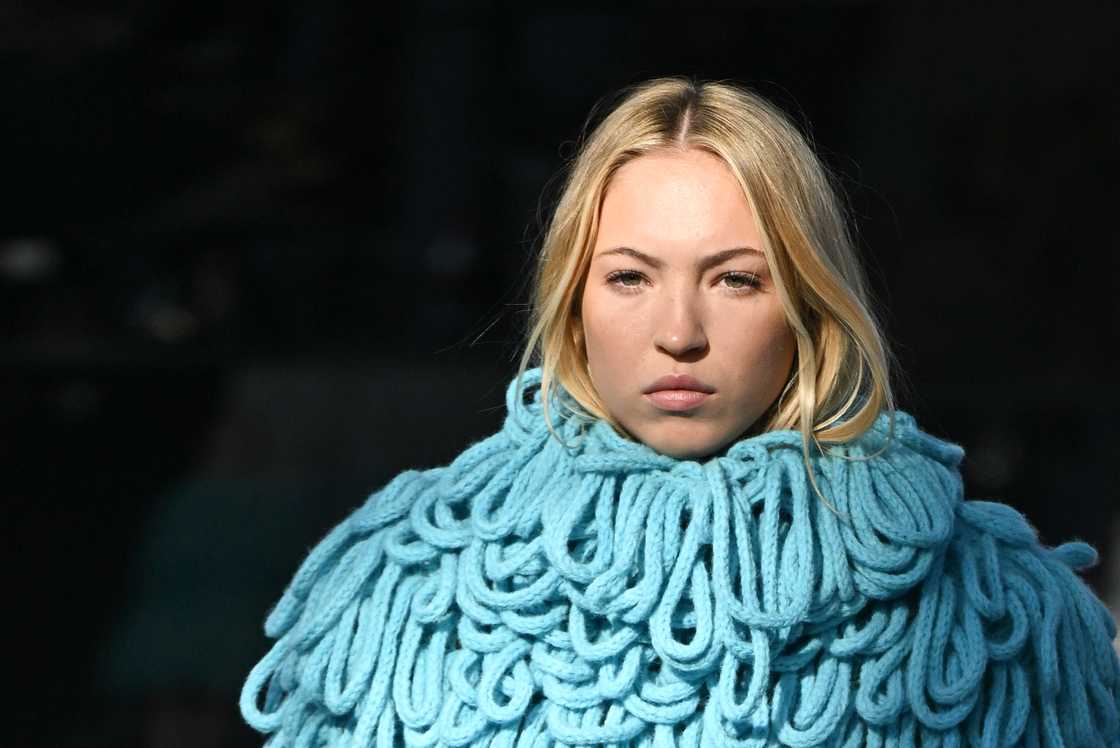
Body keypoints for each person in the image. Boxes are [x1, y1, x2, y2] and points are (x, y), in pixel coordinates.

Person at [239, 76, 1120, 746]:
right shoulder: (408, 590)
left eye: (735, 279)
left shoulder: (996, 611)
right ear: (573, 299)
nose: (679, 333)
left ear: (810, 303)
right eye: (630, 276)